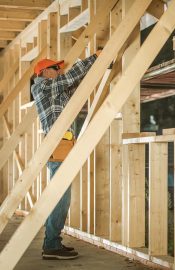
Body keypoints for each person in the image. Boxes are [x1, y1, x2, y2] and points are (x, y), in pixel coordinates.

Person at [31, 50, 101, 260]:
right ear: (44, 72)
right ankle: (51, 245)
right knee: (61, 197)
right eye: (56, 68)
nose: (59, 70)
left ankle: (52, 242)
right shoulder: (41, 86)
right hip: (59, 144)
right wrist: (95, 57)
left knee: (61, 196)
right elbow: (69, 78)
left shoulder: (55, 91)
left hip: (64, 143)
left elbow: (72, 84)